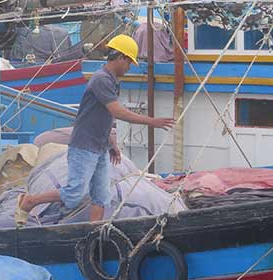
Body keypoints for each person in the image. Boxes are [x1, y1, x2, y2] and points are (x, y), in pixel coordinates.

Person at [15, 34, 175, 225]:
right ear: (121, 57)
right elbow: (117, 111)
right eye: (129, 62)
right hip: (84, 146)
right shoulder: (101, 80)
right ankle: (30, 201)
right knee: (74, 194)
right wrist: (151, 121)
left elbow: (104, 115)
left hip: (99, 147)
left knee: (101, 195)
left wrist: (112, 143)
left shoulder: (112, 81)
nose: (130, 67)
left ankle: (93, 232)